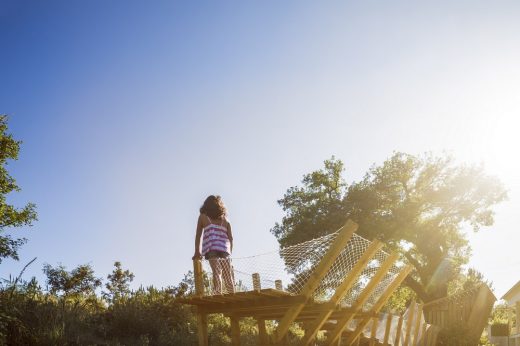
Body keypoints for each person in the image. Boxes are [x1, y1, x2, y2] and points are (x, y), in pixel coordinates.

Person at [192, 195, 234, 294]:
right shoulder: (226, 220)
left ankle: (217, 294)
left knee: (217, 272)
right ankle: (233, 295)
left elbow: (198, 235)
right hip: (224, 250)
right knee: (228, 275)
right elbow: (231, 238)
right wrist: (230, 252)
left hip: (211, 248)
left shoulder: (203, 216)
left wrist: (197, 252)